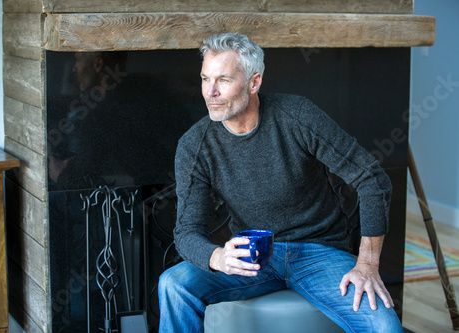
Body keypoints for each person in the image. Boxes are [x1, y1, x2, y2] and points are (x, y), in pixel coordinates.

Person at [158, 32, 403, 332]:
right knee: (173, 284)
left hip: (321, 252)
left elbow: (372, 179)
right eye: (205, 79)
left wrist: (367, 263)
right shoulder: (195, 145)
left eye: (223, 80)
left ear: (254, 81)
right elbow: (186, 232)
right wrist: (218, 257)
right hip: (253, 260)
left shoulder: (296, 116)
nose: (210, 92)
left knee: (385, 327)